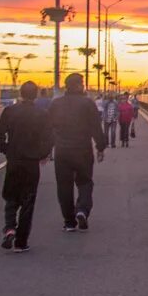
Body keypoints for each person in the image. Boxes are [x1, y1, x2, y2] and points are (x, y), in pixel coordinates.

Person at [0, 81, 53, 252]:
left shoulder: (10, 111)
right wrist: (42, 154)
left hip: (14, 160)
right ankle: (21, 241)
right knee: (28, 200)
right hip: (31, 162)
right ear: (36, 95)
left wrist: (6, 150)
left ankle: (10, 227)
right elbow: (49, 138)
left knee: (11, 196)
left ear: (21, 93)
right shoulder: (42, 114)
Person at [48, 73, 107, 232]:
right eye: (82, 83)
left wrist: (47, 150)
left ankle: (69, 222)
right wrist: (100, 147)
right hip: (82, 151)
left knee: (64, 186)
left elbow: (48, 128)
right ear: (79, 86)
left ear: (66, 86)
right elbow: (96, 128)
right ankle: (82, 210)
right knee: (85, 182)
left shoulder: (56, 104)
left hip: (62, 151)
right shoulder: (87, 104)